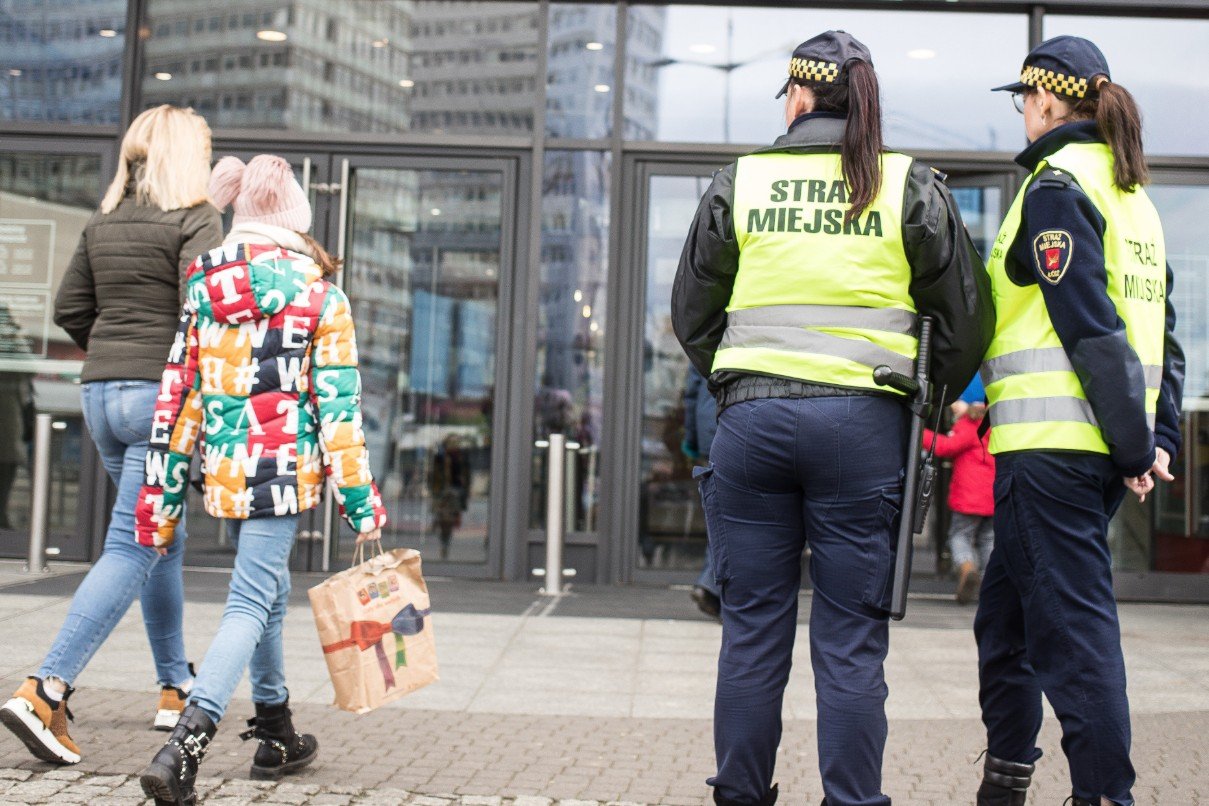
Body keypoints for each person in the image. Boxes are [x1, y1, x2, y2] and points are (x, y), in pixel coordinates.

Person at [672, 31, 993, 806]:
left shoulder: (739, 182)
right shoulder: (909, 186)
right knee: (850, 643)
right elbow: (965, 321)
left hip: (752, 425)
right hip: (861, 429)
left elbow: (691, 313)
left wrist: (734, 381)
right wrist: (921, 402)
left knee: (752, 631)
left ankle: (738, 794)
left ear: (797, 95)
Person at [135, 155, 387, 805]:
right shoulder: (320, 297)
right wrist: (361, 503)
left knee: (268, 593)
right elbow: (338, 411)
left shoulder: (203, 289)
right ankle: (184, 746)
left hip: (226, 471)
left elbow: (177, 402)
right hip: (281, 475)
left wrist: (159, 504)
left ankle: (276, 729)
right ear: (295, 222)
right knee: (250, 601)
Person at [974, 36, 1184, 806]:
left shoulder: (1057, 188)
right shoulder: (1133, 200)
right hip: (1082, 454)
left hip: (1051, 454)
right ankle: (1004, 781)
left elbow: (1089, 327)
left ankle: (1103, 796)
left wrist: (1136, 447)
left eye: (1022, 102)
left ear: (1045, 100)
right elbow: (1164, 335)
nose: (1021, 115)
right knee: (1005, 628)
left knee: (1073, 640)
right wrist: (1155, 437)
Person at [0, 105, 221, 764]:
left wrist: (113, 349)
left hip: (101, 394)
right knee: (134, 543)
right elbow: (202, 312)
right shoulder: (196, 218)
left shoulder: (104, 221)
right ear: (189, 156)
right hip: (160, 399)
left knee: (161, 540)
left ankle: (175, 685)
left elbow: (70, 307)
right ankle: (46, 688)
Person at [924, 378, 994, 605]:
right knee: (987, 539)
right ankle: (990, 584)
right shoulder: (995, 425)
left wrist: (919, 434)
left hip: (969, 497)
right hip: (992, 498)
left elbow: (946, 447)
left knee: (959, 535)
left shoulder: (970, 424)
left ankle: (966, 568)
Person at [682, 365, 721, 620]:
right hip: (737, 425)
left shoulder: (705, 342)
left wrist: (692, 439)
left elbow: (692, 394)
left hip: (709, 430)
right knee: (731, 518)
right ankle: (711, 585)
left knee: (719, 515)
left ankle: (711, 587)